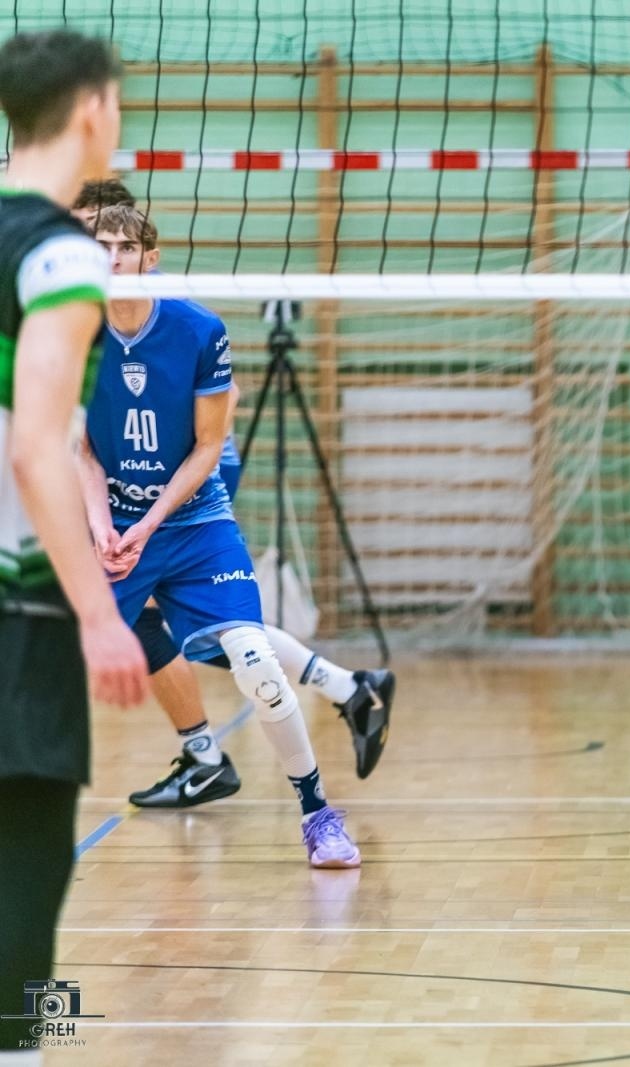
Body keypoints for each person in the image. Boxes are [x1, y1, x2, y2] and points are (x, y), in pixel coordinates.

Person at [70, 185, 395, 807]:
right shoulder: (81, 312)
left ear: (144, 251)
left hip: (192, 476)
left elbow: (221, 409)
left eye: (109, 239)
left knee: (167, 622)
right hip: (134, 486)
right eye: (89, 238)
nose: (95, 252)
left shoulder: (172, 311)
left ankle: (213, 755)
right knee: (145, 621)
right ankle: (345, 687)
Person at [0, 30, 148, 1064]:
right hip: (19, 601)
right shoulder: (62, 253)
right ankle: (28, 1048)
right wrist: (99, 613)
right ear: (93, 108)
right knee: (30, 853)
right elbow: (34, 444)